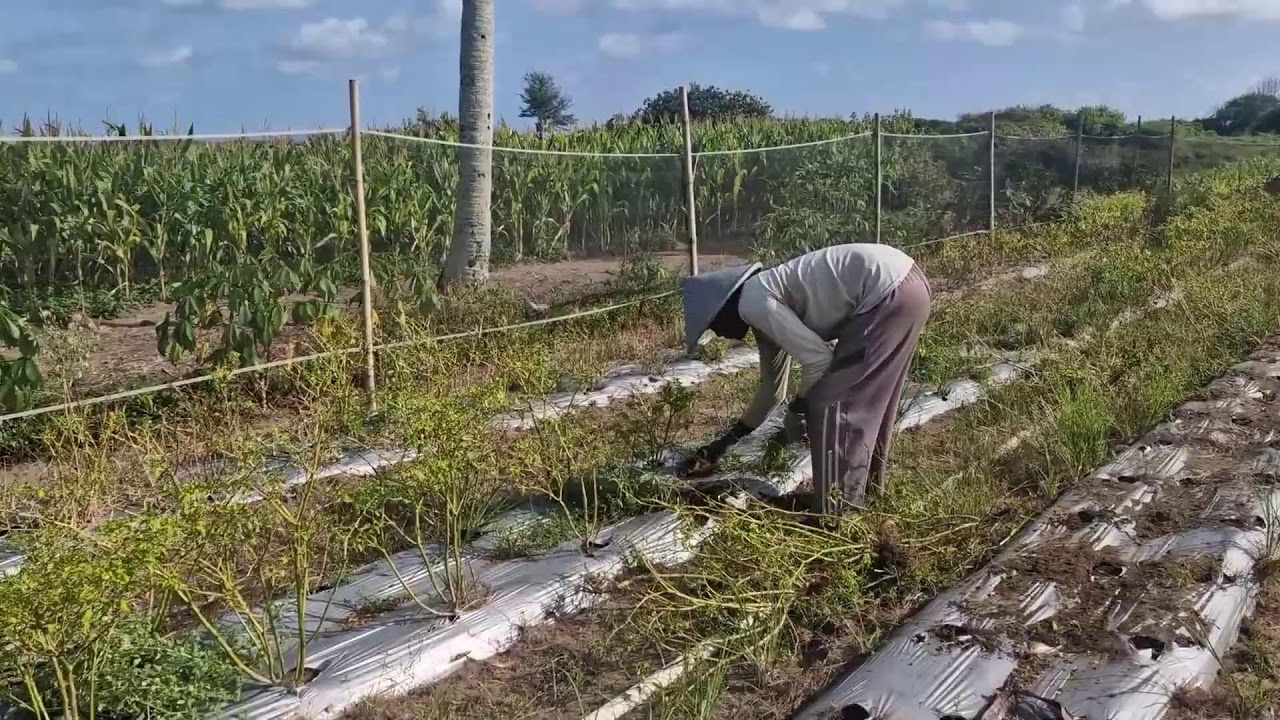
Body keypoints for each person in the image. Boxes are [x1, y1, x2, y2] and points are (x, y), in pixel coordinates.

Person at [678, 243, 931, 515]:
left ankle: (838, 513)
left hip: (887, 293)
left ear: (722, 308)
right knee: (868, 403)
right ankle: (864, 499)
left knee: (831, 404)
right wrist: (724, 443)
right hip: (905, 286)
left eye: (714, 325)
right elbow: (772, 390)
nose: (721, 333)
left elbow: (820, 361)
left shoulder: (753, 301)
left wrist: (799, 409)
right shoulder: (765, 298)